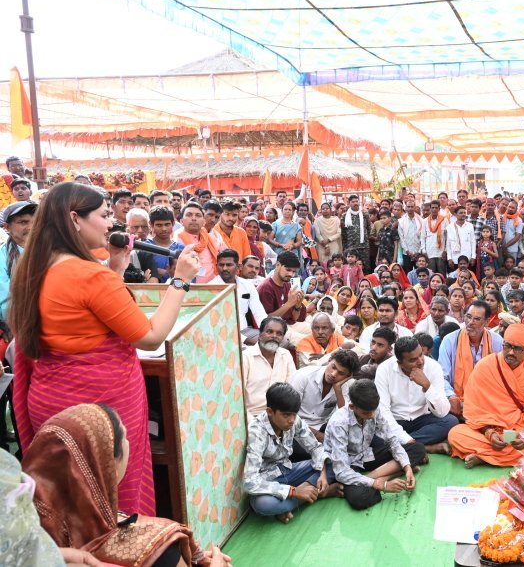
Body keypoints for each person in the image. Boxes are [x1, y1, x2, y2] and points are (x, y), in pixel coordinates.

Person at [10, 183, 201, 515]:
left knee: (71, 502)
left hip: (51, 402)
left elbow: (80, 320)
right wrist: (180, 280)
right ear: (75, 220)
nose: (112, 223)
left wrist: (114, 269)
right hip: (101, 411)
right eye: (103, 215)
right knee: (111, 504)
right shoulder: (90, 277)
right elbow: (151, 336)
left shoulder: (33, 269)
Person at [22, 403, 229, 567]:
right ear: (107, 465)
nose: (129, 443)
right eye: (124, 437)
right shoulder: (154, 549)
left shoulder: (21, 544)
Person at [448, 324, 524, 468]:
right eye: (507, 346)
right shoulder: (485, 366)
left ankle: (484, 457)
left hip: (516, 428)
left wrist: (522, 435)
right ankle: (505, 455)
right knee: (456, 434)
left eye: (518, 349)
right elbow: (472, 410)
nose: (511, 353)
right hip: (488, 430)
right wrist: (489, 432)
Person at [244, 383, 341, 523]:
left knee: (335, 462)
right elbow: (250, 481)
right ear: (270, 411)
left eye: (294, 414)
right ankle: (317, 494)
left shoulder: (294, 420)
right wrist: (294, 492)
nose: (291, 420)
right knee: (263, 505)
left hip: (290, 470)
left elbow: (315, 448)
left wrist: (323, 474)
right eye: (286, 415)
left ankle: (291, 503)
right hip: (268, 479)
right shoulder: (257, 432)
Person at [323, 379, 425, 511]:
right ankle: (383, 476)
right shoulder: (339, 423)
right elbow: (341, 471)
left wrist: (407, 468)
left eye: (373, 410)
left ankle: (378, 477)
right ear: (352, 407)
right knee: (358, 499)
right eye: (366, 413)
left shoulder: (373, 410)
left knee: (418, 449)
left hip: (365, 455)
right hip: (347, 465)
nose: (371, 416)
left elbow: (391, 440)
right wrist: (381, 485)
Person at [375, 336, 457, 456]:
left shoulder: (433, 367)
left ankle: (400, 447)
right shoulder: (384, 370)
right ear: (400, 363)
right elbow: (383, 411)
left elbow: (442, 412)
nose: (420, 361)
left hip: (421, 419)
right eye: (413, 360)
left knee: (450, 421)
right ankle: (424, 447)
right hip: (395, 420)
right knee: (373, 433)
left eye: (421, 355)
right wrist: (406, 439)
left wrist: (427, 386)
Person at [438, 300, 505, 413]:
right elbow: (442, 377)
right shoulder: (449, 340)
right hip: (458, 400)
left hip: (488, 399)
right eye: (468, 317)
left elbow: (503, 375)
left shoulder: (497, 341)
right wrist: (451, 396)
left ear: (487, 322)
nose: (470, 322)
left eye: (477, 319)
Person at [290, 349, 358, 445]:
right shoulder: (303, 376)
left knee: (354, 439)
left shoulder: (343, 386)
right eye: (333, 367)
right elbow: (288, 415)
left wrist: (338, 390)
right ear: (329, 360)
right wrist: (317, 435)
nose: (333, 374)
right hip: (295, 427)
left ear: (348, 376)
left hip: (322, 427)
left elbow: (344, 417)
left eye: (341, 373)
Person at [243, 317, 296, 424]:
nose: (274, 336)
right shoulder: (245, 358)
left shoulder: (286, 355)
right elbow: (238, 400)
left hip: (280, 415)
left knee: (304, 435)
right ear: (260, 335)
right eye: (269, 331)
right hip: (252, 416)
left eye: (279, 333)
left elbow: (291, 390)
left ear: (282, 338)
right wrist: (254, 423)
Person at [210, 249, 267, 344]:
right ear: (216, 266)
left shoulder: (247, 285)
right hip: (220, 334)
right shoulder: (210, 288)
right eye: (221, 265)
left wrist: (268, 331)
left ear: (238, 267)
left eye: (229, 265)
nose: (224, 268)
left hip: (245, 330)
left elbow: (259, 312)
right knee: (261, 343)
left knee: (274, 340)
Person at [0, 200, 36, 321]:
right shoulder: (3, 255)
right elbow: (5, 299)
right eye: (23, 222)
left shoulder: (51, 248)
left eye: (35, 221)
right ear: (7, 227)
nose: (31, 227)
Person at [174, 201, 225, 283]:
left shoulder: (212, 237)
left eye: (198, 215)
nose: (194, 218)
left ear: (203, 221)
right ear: (181, 221)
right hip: (187, 288)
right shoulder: (176, 239)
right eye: (189, 215)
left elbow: (226, 254)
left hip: (214, 286)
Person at [258, 251, 308, 329]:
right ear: (278, 265)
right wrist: (289, 304)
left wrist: (298, 305)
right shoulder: (266, 288)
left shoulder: (288, 285)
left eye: (294, 271)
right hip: (276, 330)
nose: (291, 274)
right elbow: (266, 321)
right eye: (288, 270)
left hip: (289, 325)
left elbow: (294, 319)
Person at [147, 206, 185, 282]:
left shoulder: (181, 249)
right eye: (159, 225)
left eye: (167, 224)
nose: (164, 229)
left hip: (178, 290)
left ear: (173, 223)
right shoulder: (145, 247)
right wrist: (154, 273)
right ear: (151, 224)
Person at [341, 195, 372, 272]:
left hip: (363, 246)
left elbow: (368, 229)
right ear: (349, 203)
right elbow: (343, 232)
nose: (355, 203)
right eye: (353, 202)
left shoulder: (365, 214)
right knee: (351, 267)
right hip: (351, 246)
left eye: (356, 201)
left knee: (365, 266)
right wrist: (345, 246)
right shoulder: (345, 216)